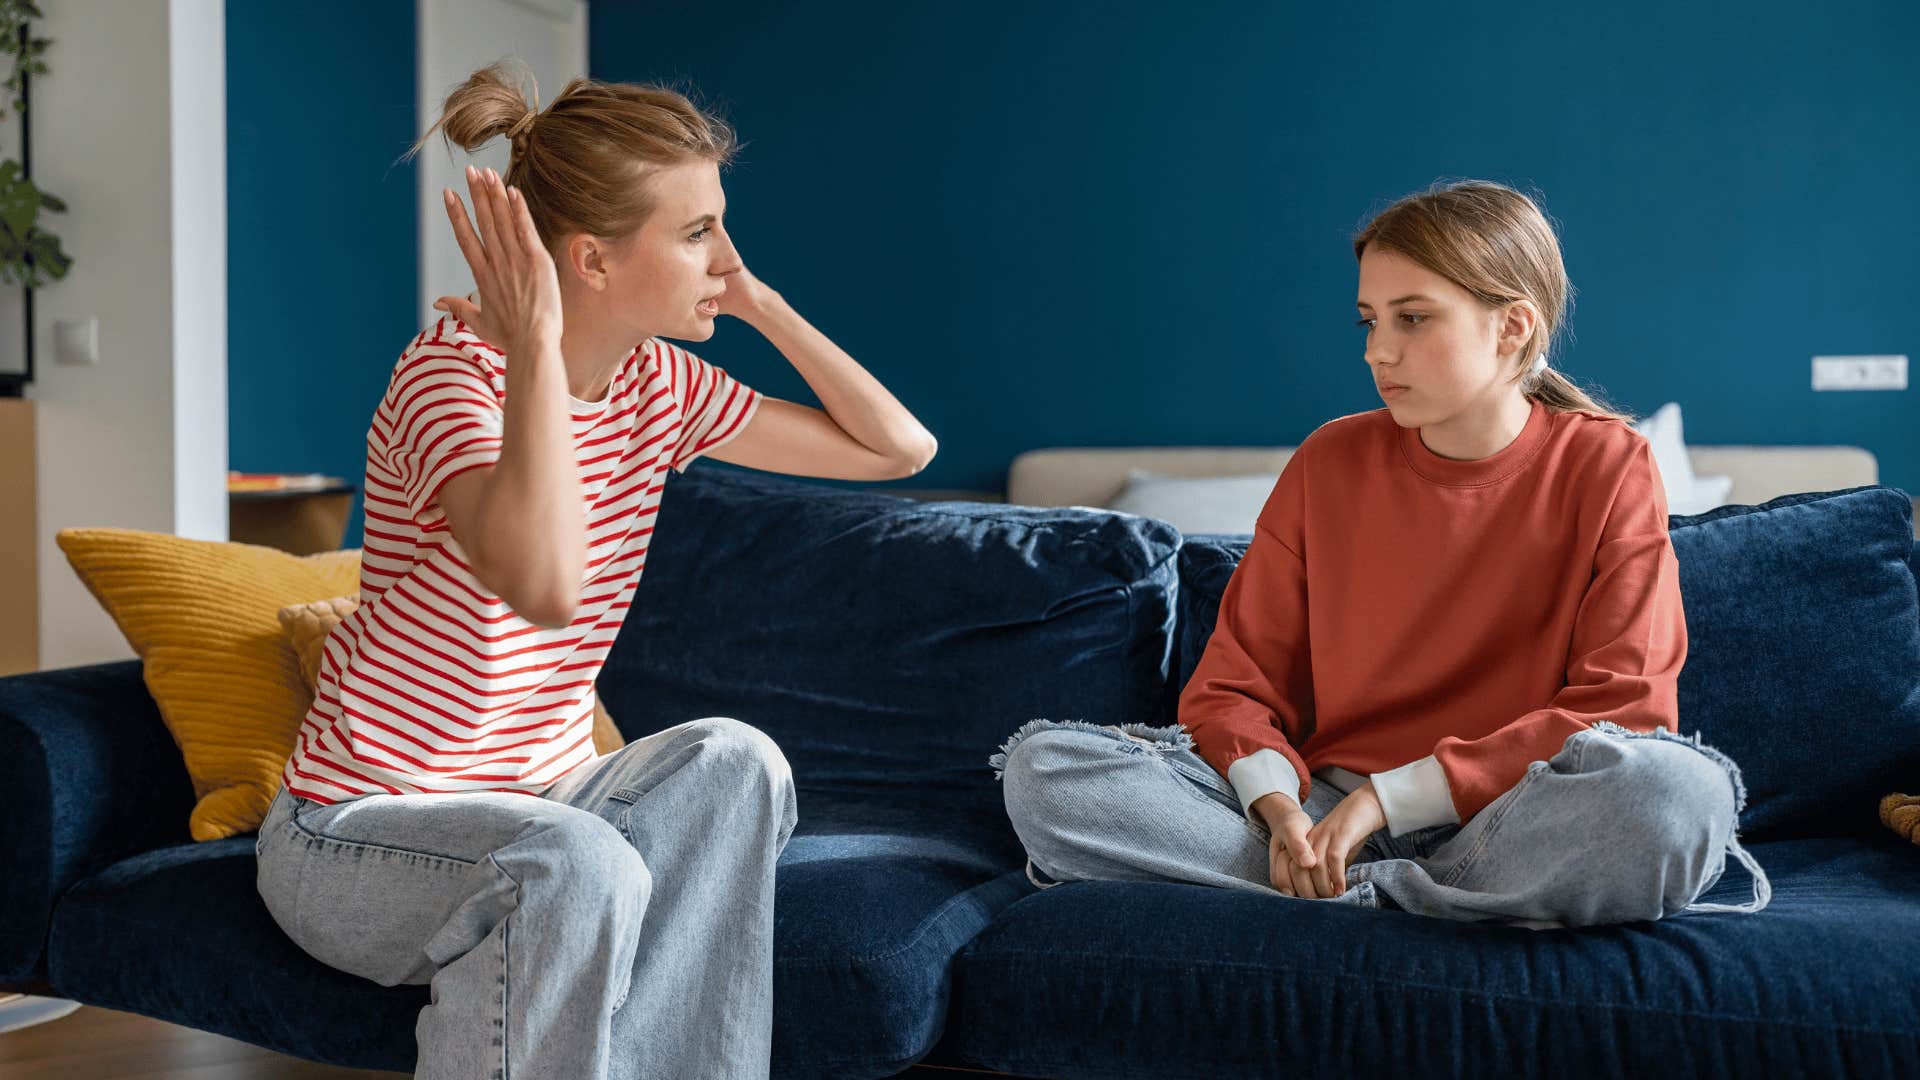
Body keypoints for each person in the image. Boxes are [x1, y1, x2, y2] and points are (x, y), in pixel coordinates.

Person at [255, 62, 936, 1079]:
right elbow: (546, 581)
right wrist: (530, 340)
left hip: (548, 797)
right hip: (359, 833)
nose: (721, 257)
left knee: (737, 760)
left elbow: (898, 449)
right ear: (593, 260)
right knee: (571, 864)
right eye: (696, 232)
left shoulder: (656, 381)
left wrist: (759, 302)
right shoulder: (451, 379)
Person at [992, 180, 1769, 929]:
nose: (1377, 351)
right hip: (1321, 817)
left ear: (1514, 325)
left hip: (1512, 819)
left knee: (1679, 796)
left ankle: (1351, 902)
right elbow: (1232, 687)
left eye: (1412, 319)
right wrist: (1278, 808)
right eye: (1369, 320)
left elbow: (1625, 705)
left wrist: (1388, 800)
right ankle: (1428, 904)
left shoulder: (1608, 464)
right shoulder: (1330, 461)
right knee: (1045, 773)